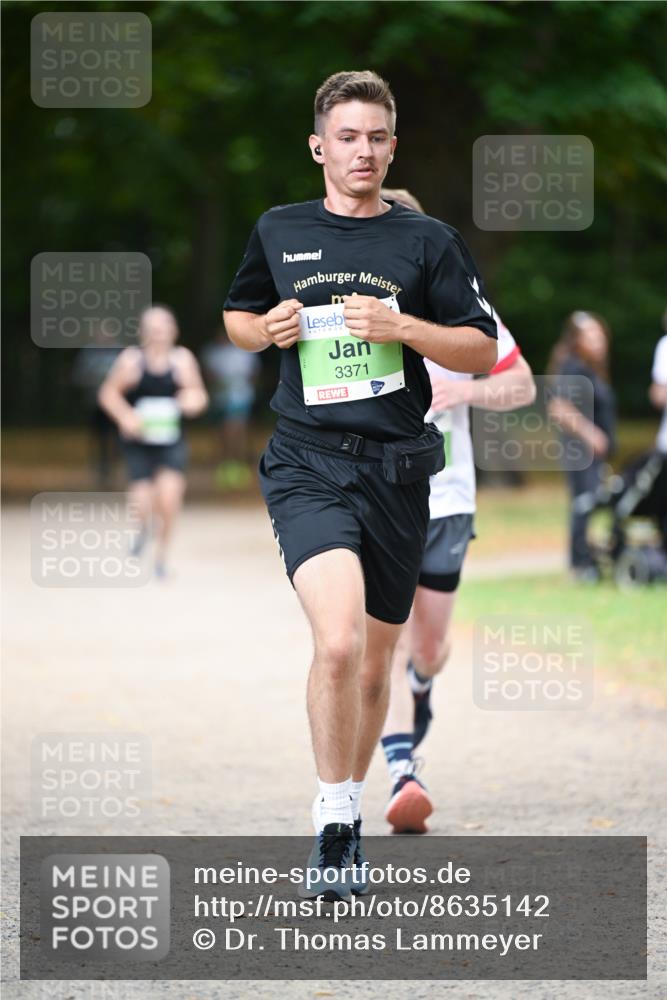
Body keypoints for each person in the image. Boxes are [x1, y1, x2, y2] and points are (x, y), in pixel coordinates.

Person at [223, 70, 498, 899]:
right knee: (336, 642)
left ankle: (350, 803)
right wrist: (261, 330)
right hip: (307, 462)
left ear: (392, 146)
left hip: (396, 472)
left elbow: (480, 350)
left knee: (377, 664)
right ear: (319, 146)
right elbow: (237, 316)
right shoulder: (279, 229)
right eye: (347, 137)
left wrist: (403, 326)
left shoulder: (427, 241)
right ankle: (333, 822)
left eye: (376, 137)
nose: (362, 151)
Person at [379, 189, 536, 834]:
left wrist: (462, 387)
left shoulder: (463, 309)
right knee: (379, 637)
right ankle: (402, 772)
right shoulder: (346, 309)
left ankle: (421, 689)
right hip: (378, 496)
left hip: (447, 499)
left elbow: (522, 383)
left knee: (431, 646)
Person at [98, 305, 208, 577]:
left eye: (164, 328)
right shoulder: (131, 360)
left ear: (174, 331)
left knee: (169, 499)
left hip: (171, 441)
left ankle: (161, 558)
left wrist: (189, 402)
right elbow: (108, 394)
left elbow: (199, 397)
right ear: (143, 332)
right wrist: (125, 417)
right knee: (142, 501)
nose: (159, 334)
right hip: (139, 442)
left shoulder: (182, 360)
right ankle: (141, 529)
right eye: (153, 329)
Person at [547, 311, 616, 581]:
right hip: (581, 452)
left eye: (601, 336)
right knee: (584, 504)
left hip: (592, 456)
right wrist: (592, 435)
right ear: (577, 341)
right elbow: (559, 407)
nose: (599, 342)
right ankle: (580, 564)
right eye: (591, 337)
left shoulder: (590, 369)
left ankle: (589, 557)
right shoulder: (573, 367)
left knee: (590, 504)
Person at [200, 325, 261, 489]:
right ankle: (224, 464)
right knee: (220, 432)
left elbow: (253, 373)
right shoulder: (212, 352)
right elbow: (208, 374)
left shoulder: (244, 351)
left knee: (236, 430)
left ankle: (238, 464)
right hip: (219, 398)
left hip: (240, 397)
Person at [71, 322, 122, 486]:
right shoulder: (88, 352)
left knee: (118, 437)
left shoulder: (122, 352)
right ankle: (101, 469)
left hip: (118, 405)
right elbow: (78, 376)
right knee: (99, 438)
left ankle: (114, 467)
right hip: (95, 403)